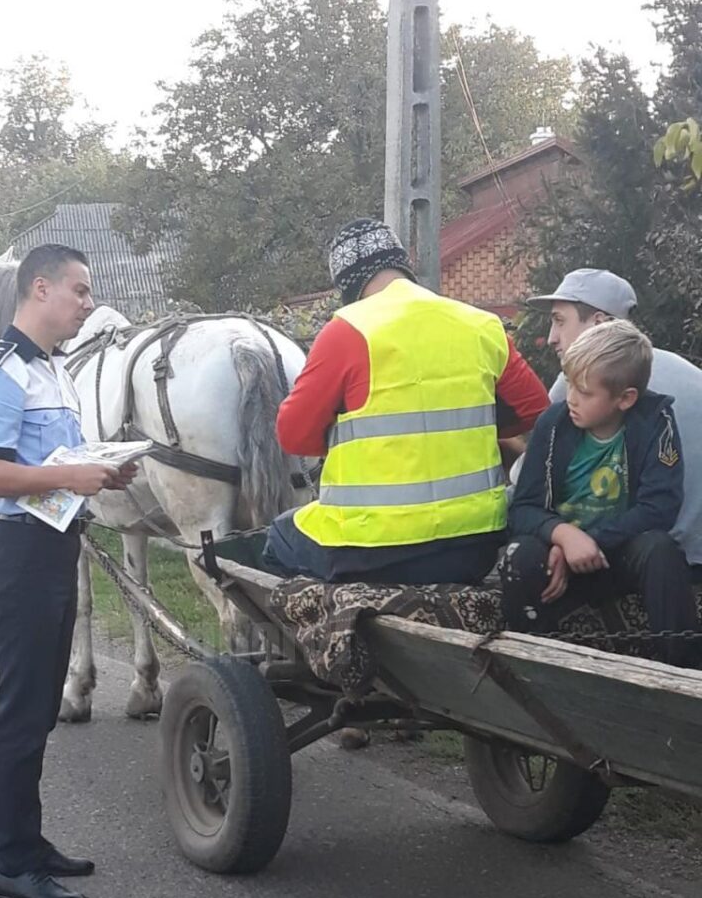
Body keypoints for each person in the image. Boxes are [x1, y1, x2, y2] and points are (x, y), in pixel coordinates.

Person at [0, 244, 137, 898]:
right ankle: (12, 865)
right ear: (40, 288)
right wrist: (70, 475)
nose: (89, 304)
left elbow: (52, 462)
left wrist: (102, 472)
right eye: (80, 291)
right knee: (23, 712)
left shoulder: (53, 369)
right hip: (22, 554)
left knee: (38, 712)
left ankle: (29, 845)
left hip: (56, 546)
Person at [263, 218, 550, 584]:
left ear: (347, 285)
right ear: (403, 266)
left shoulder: (348, 329)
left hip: (370, 551)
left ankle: (320, 620)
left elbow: (293, 435)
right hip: (475, 546)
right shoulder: (482, 325)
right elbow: (534, 409)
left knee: (279, 537)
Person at [501, 319, 699, 666]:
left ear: (625, 398)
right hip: (556, 554)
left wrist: (590, 541)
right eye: (570, 385)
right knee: (520, 555)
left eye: (585, 392)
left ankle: (683, 667)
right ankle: (530, 660)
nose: (572, 399)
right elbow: (525, 507)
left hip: (617, 552)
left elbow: (659, 508)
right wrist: (563, 536)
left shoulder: (656, 422)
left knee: (661, 549)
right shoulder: (554, 423)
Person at [526, 268, 702, 568]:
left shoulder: (581, 384)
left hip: (632, 552)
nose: (552, 337)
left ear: (599, 323)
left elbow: (528, 490)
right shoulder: (687, 372)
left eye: (560, 321)